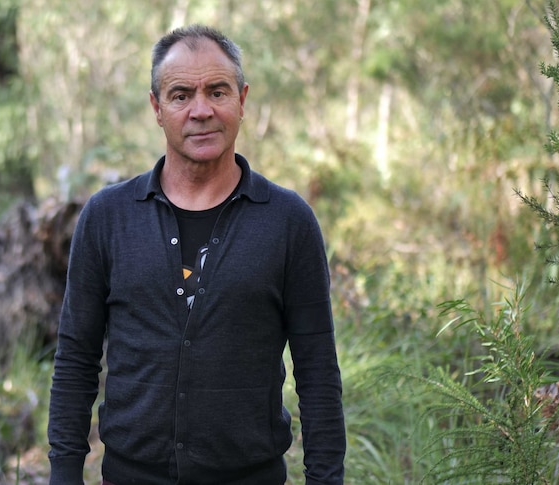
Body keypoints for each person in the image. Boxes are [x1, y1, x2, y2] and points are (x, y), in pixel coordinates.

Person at [48, 24, 345, 485]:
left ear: (242, 100)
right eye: (181, 95)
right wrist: (64, 475)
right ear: (157, 108)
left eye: (218, 91)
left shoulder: (288, 222)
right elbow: (76, 358)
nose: (201, 110)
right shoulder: (108, 217)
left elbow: (317, 370)